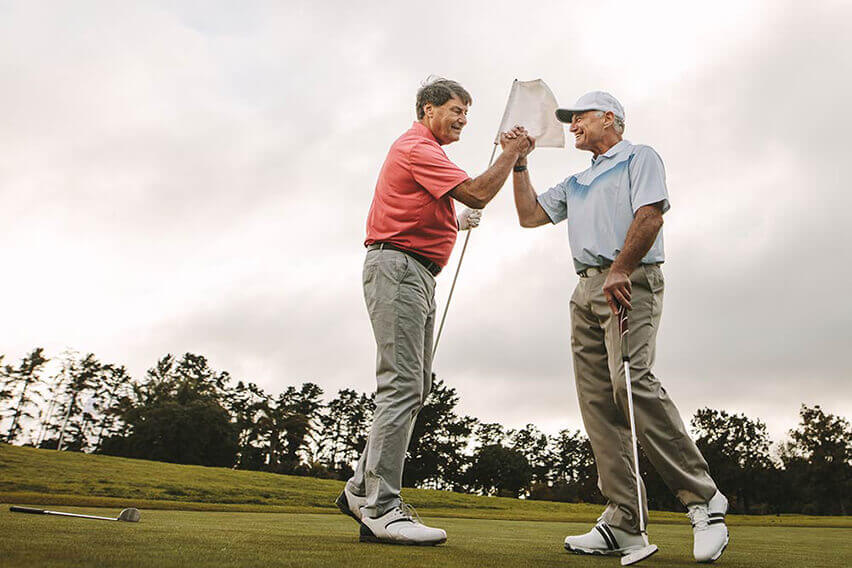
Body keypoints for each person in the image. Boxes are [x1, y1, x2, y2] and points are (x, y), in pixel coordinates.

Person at [508, 91, 729, 563]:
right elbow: (529, 216)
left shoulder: (639, 156)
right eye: (569, 121)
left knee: (633, 386)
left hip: (628, 279)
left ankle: (704, 501)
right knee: (597, 404)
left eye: (579, 118)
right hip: (586, 289)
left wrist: (621, 268)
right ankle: (624, 521)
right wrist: (519, 164)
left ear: (610, 118)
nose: (572, 126)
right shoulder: (576, 179)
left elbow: (650, 214)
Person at [336, 77, 532, 546]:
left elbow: (428, 206)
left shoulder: (429, 153)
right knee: (402, 385)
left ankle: (360, 489)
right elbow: (478, 192)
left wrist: (454, 221)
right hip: (399, 269)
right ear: (428, 109)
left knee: (415, 386)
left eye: (467, 112)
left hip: (415, 272)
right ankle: (381, 508)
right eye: (455, 109)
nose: (463, 118)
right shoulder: (418, 147)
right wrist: (512, 153)